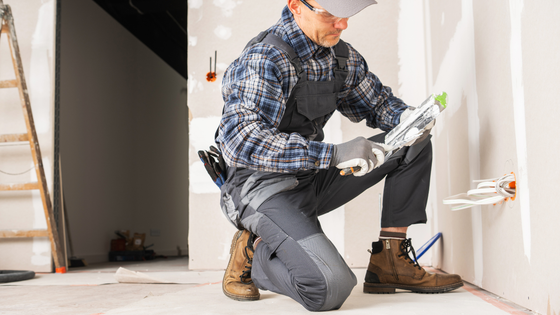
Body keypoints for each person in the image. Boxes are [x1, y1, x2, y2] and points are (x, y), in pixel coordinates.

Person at [213, 0, 463, 311]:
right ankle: (260, 255)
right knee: (329, 289)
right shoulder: (264, 58)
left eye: (346, 14)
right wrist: (333, 154)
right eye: (330, 14)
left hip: (310, 179)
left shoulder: (340, 58)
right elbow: (241, 142)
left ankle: (390, 261)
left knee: (411, 142)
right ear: (296, 6)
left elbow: (378, 105)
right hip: (260, 190)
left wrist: (410, 120)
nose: (342, 24)